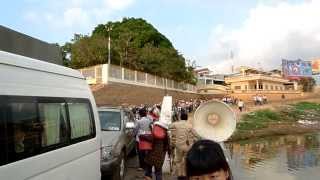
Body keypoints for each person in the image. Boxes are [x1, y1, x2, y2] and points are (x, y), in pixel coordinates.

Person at [134, 108, 153, 174]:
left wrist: (134, 134)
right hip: (148, 138)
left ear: (139, 114)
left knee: (140, 153)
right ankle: (148, 165)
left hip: (140, 138)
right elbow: (151, 128)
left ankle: (142, 166)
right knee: (147, 152)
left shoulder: (139, 121)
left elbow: (135, 129)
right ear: (145, 113)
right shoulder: (149, 120)